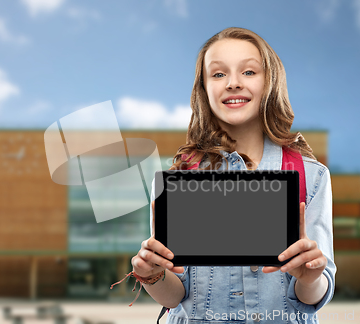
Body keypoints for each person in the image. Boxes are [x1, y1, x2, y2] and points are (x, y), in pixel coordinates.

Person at [126, 27, 336, 323]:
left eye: (249, 72)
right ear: (204, 89)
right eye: (219, 74)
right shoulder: (179, 179)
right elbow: (176, 296)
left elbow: (313, 297)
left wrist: (310, 278)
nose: (234, 83)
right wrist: (153, 275)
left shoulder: (310, 177)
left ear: (270, 82)